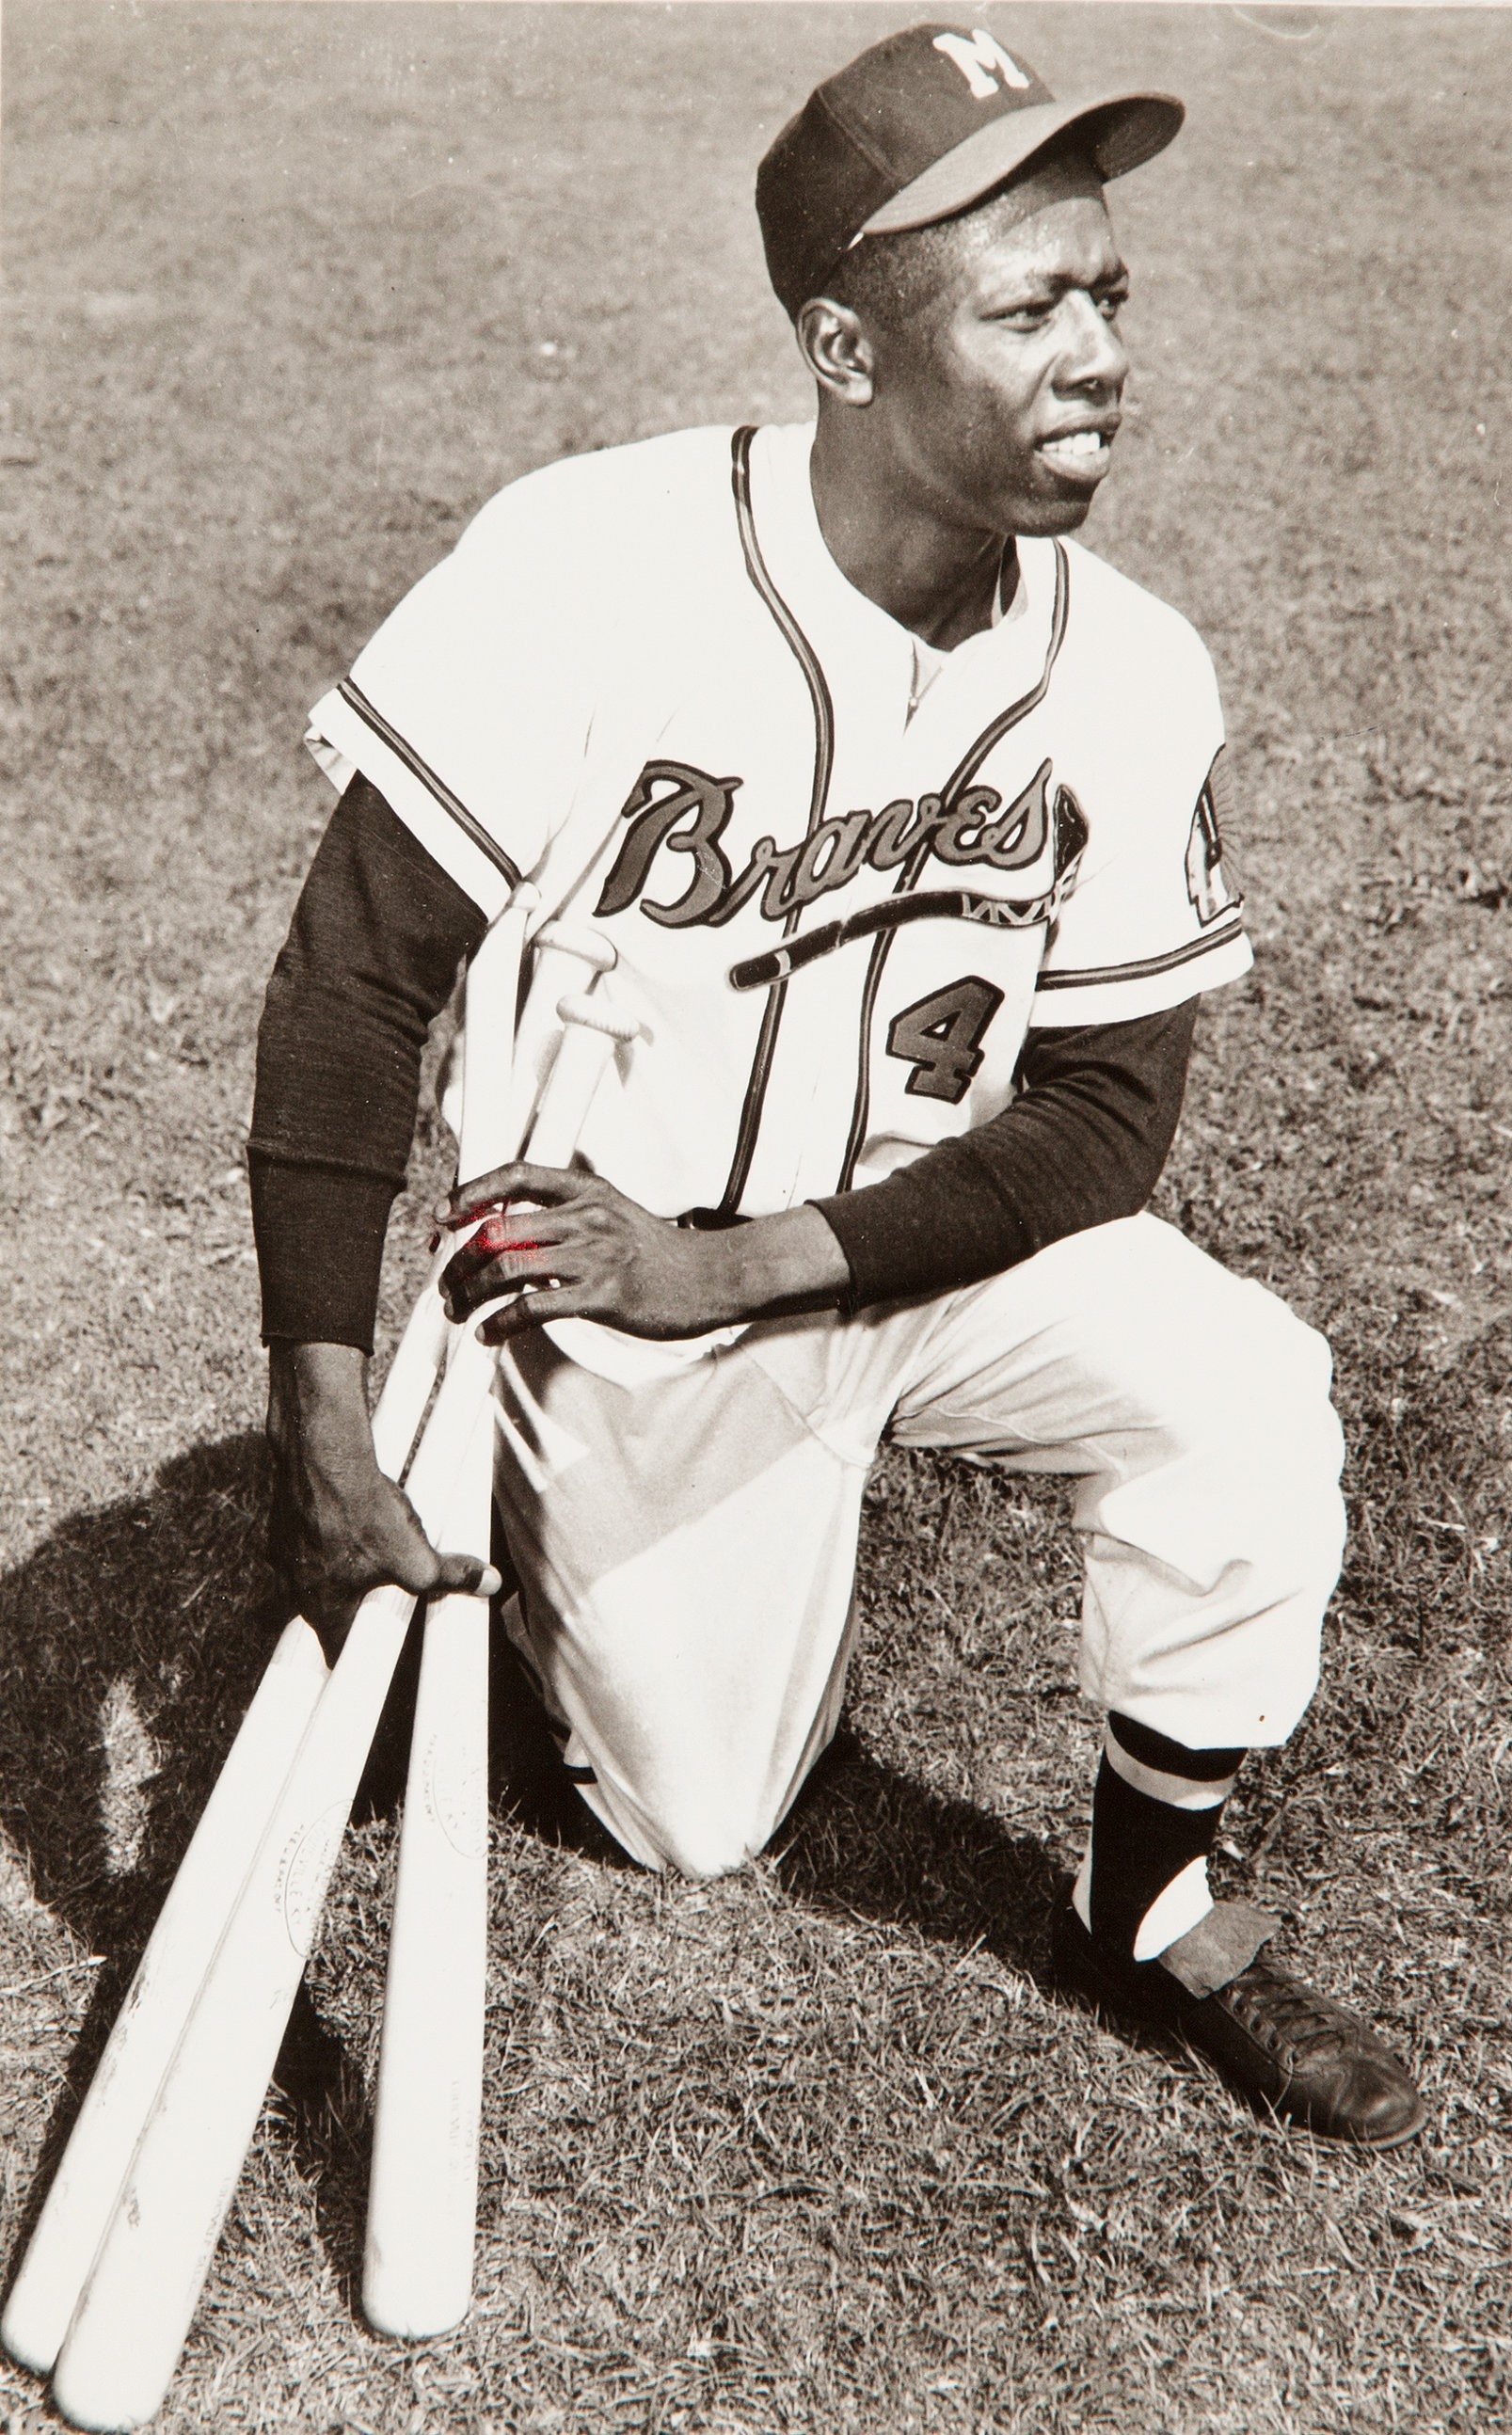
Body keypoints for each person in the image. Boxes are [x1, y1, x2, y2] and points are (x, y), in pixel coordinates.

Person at [250, 23, 1424, 2147]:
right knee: (700, 1819)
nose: (1101, 356)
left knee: (1246, 1394)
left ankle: (1150, 1904)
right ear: (847, 347)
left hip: (913, 1245)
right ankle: (542, 1550)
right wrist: (323, 1420)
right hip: (607, 1285)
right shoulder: (585, 564)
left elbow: (1100, 1120)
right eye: (1031, 305)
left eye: (1113, 297)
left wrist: (765, 1265)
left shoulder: (1132, 664)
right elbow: (352, 993)